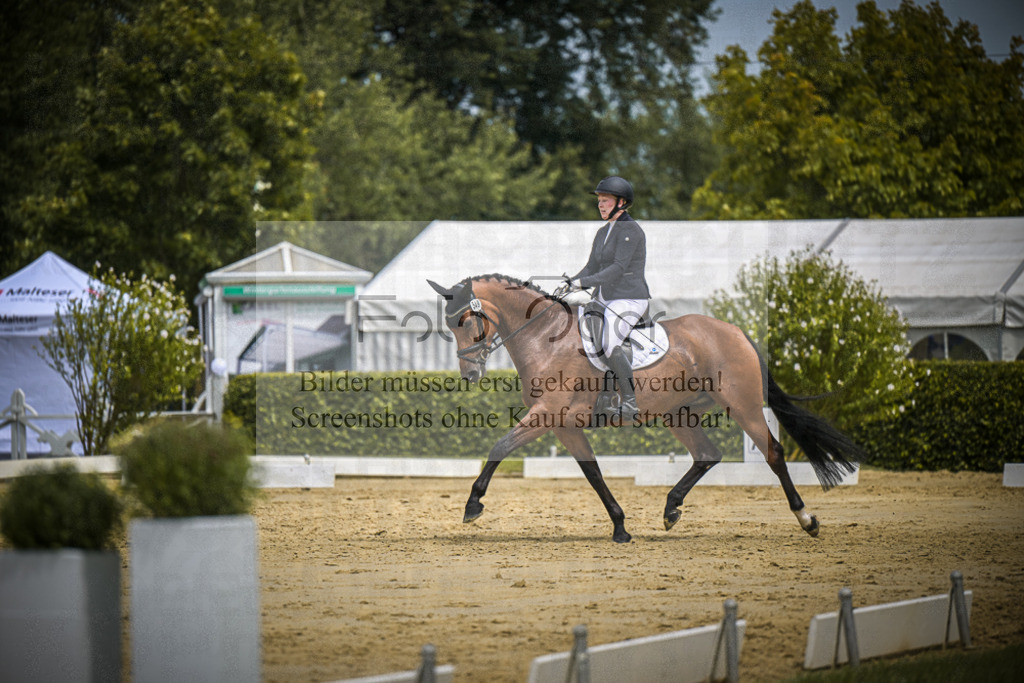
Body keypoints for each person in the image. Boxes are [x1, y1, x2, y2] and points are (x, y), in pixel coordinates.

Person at [562, 175, 651, 421]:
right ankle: (602, 397)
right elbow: (591, 267)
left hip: (629, 297)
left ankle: (630, 403)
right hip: (605, 297)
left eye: (606, 201)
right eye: (599, 201)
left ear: (621, 202)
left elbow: (617, 269)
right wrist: (570, 282)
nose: (600, 205)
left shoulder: (631, 230)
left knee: (610, 342)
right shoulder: (603, 232)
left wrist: (583, 283)